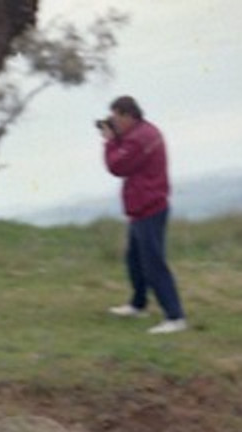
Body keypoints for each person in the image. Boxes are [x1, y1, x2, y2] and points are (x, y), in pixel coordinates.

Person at [101, 96, 187, 334]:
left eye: (116, 118)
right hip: (144, 206)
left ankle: (175, 316)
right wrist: (117, 138)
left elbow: (117, 167)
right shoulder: (144, 133)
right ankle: (138, 305)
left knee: (153, 264)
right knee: (135, 260)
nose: (114, 123)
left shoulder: (139, 140)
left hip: (149, 207)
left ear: (128, 115)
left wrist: (109, 142)